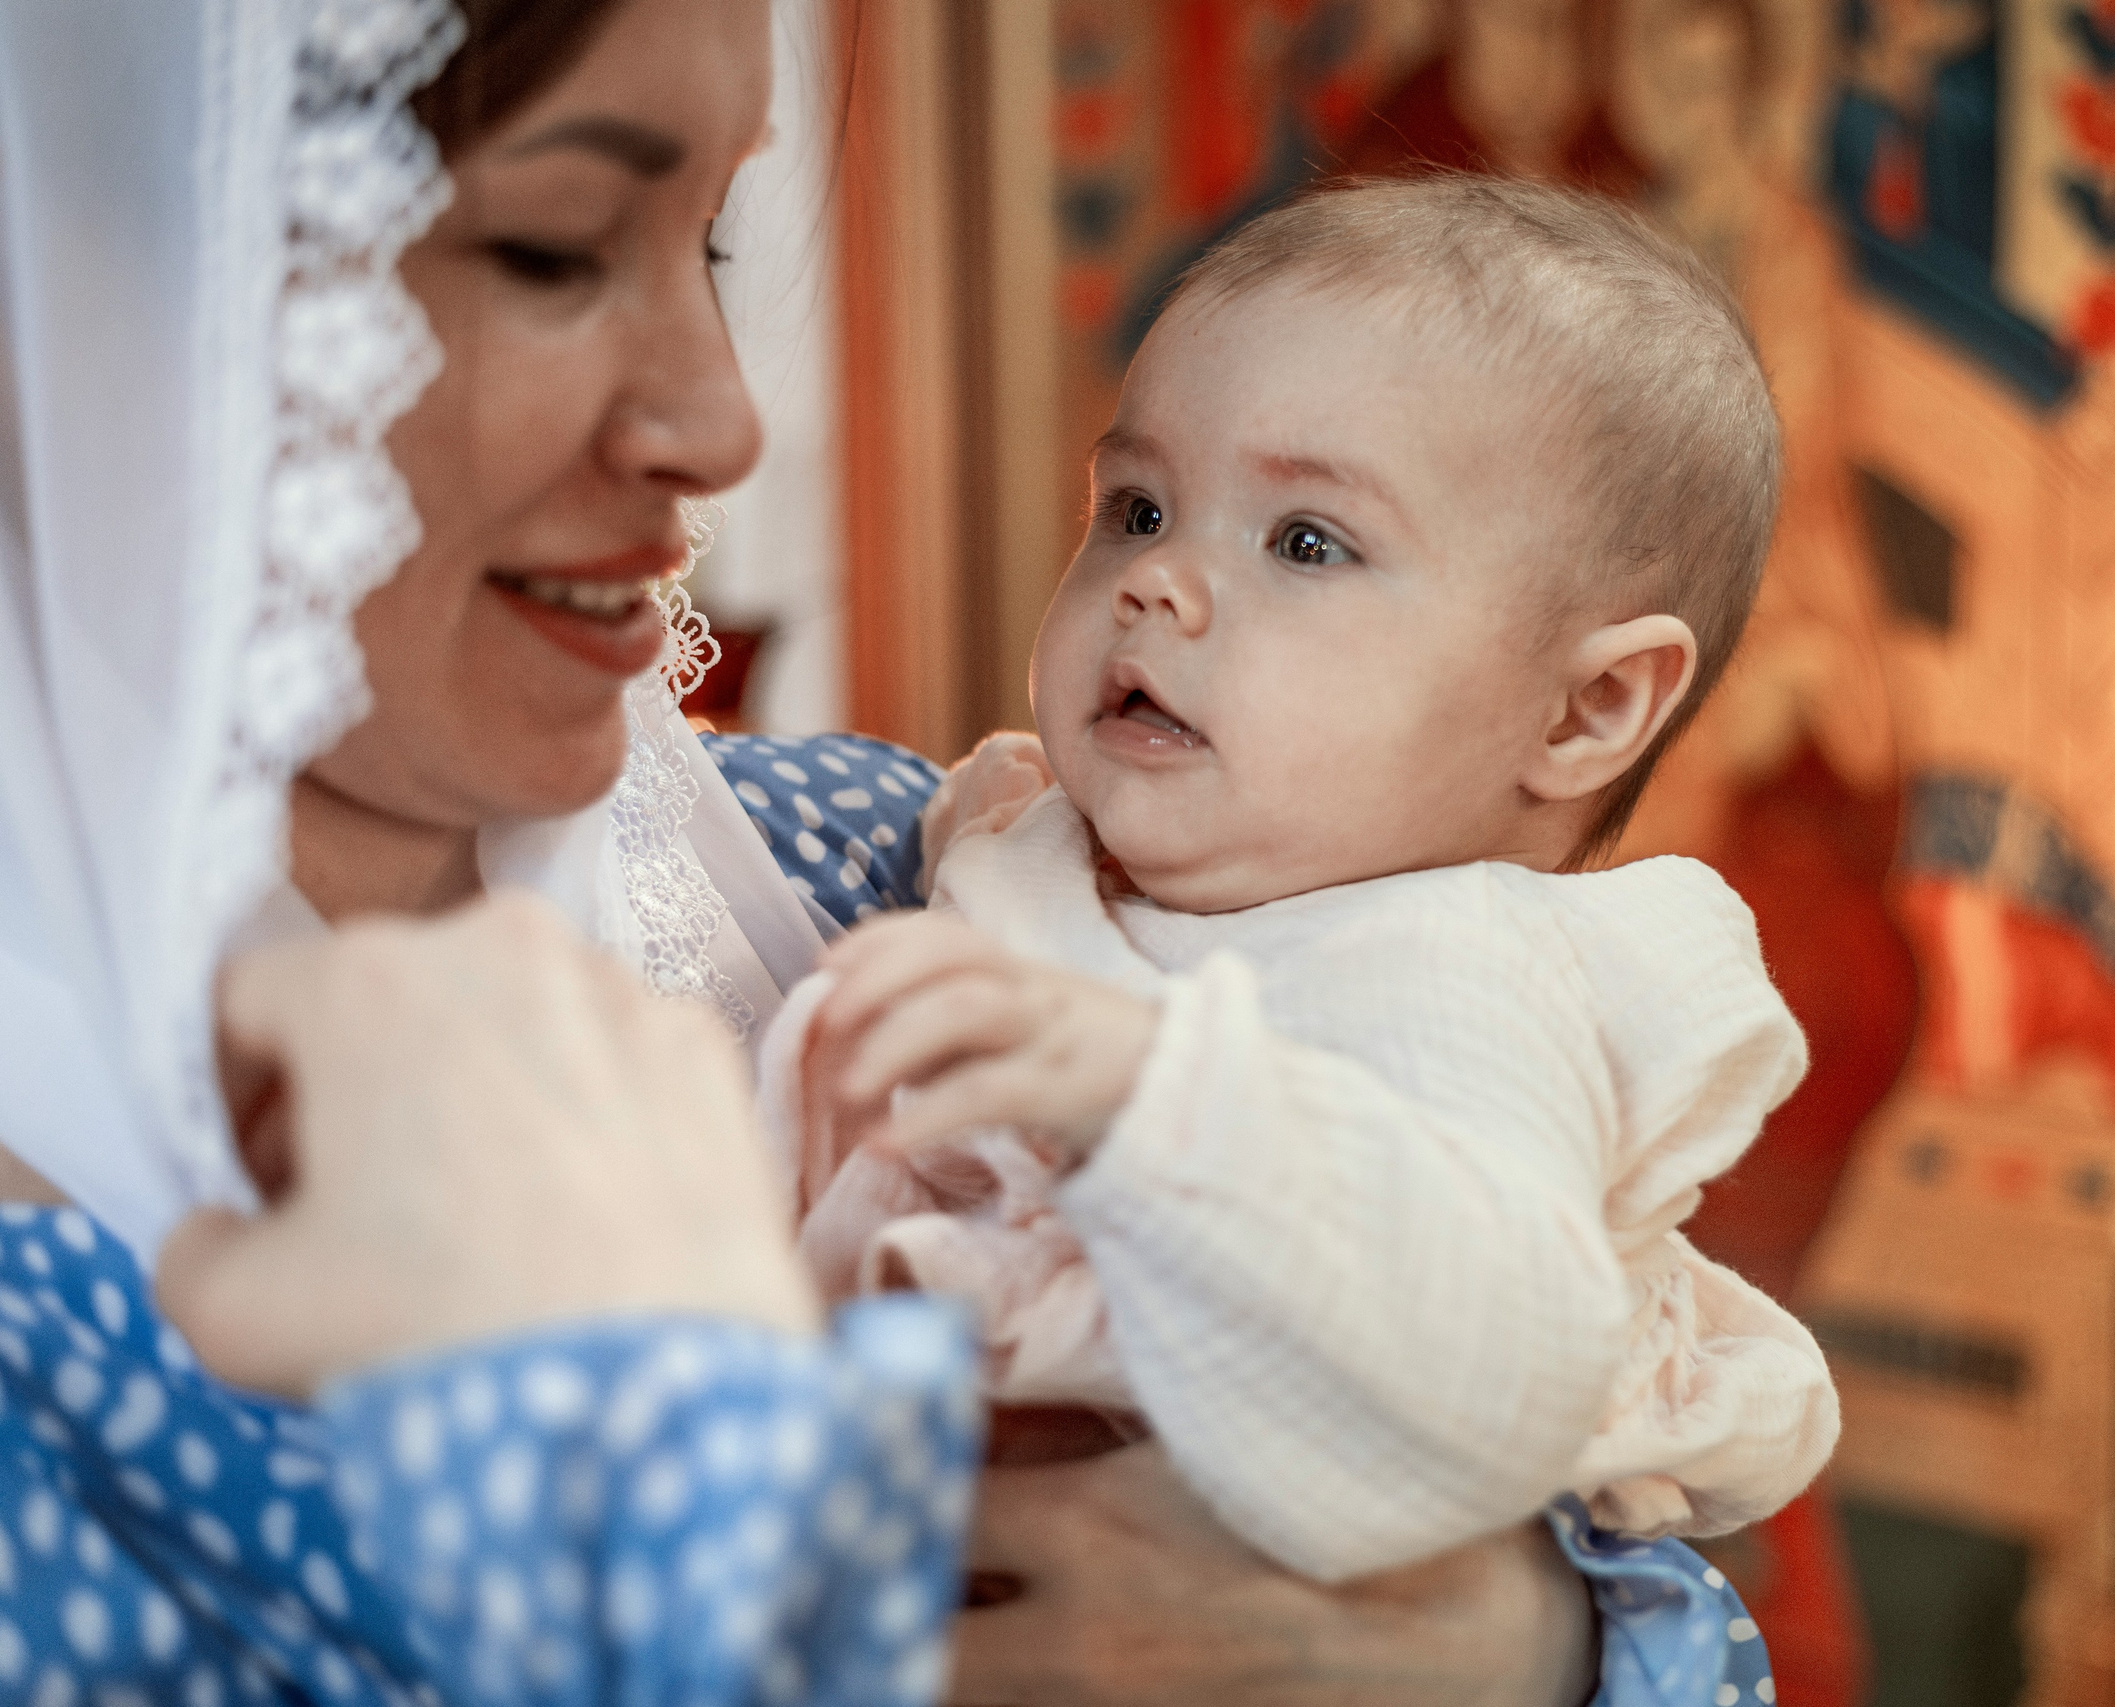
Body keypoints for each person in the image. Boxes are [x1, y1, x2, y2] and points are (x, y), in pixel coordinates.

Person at [0, 2, 1782, 1703]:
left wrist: (1513, 1647)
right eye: (555, 249)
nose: (724, 420)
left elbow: (1611, 1501)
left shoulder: (885, 858)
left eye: (704, 244)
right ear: (99, 277)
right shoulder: (1010, 873)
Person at [777, 177, 1836, 1614]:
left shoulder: (1459, 976)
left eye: (1306, 543)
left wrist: (1155, 1103)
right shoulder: (1013, 833)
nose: (1159, 583)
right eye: (1139, 507)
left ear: (1584, 711)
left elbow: (1500, 1359)